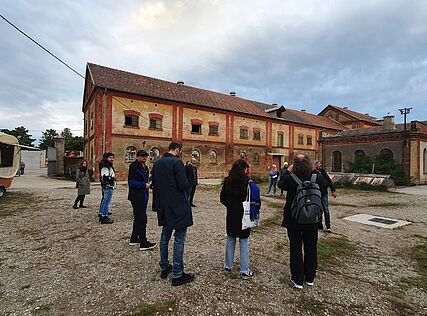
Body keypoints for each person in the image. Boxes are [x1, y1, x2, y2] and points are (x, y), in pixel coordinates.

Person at [278, 154, 326, 289]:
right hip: (312, 219)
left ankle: (297, 280)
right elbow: (323, 190)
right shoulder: (317, 177)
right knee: (311, 248)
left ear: (295, 164)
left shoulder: (290, 179)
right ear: (308, 163)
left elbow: (280, 183)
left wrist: (288, 170)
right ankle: (310, 278)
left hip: (294, 219)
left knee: (296, 249)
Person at [151, 142, 194, 286]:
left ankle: (164, 266)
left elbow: (154, 184)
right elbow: (183, 184)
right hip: (178, 205)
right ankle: (177, 274)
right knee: (179, 238)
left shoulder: (157, 164)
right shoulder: (177, 162)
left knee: (165, 236)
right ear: (177, 150)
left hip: (164, 205)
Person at [220, 159, 257, 279]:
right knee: (243, 241)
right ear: (244, 169)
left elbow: (222, 198)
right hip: (244, 214)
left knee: (230, 239)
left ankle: (228, 265)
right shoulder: (248, 182)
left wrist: (230, 205)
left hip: (231, 214)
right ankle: (244, 270)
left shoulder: (227, 181)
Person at [128, 150, 156, 250]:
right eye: (142, 156)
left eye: (145, 156)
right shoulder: (134, 166)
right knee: (142, 218)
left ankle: (134, 238)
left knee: (138, 218)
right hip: (136, 196)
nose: (144, 158)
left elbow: (146, 179)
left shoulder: (145, 167)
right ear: (137, 157)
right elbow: (131, 182)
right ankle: (143, 242)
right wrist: (143, 185)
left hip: (143, 196)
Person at [313, 160, 337, 232]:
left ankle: (328, 225)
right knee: (318, 209)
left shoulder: (323, 172)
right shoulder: (312, 173)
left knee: (326, 209)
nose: (320, 164)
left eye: (320, 163)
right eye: (318, 163)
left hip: (324, 193)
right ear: (314, 165)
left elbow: (329, 181)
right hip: (316, 193)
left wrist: (333, 190)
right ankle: (319, 224)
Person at [98, 152, 116, 224]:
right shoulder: (105, 166)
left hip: (108, 186)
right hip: (108, 186)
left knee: (105, 200)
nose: (112, 159)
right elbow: (105, 177)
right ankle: (104, 217)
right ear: (106, 158)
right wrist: (108, 184)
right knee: (106, 201)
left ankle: (102, 213)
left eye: (112, 157)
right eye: (110, 157)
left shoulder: (108, 165)